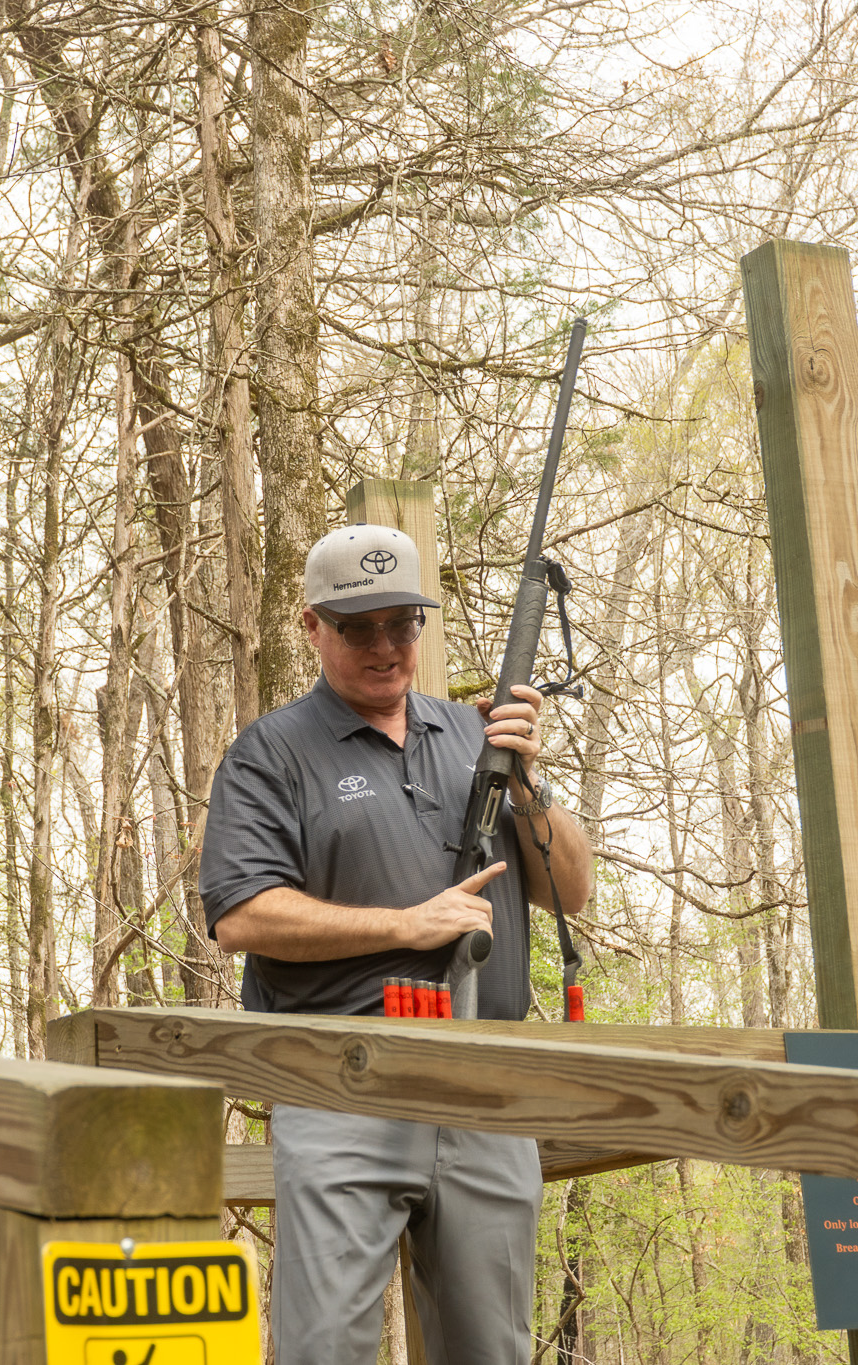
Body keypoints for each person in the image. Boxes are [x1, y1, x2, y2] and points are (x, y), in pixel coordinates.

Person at [201, 524, 595, 1363]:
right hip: (342, 1084)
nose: (385, 646)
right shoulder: (271, 753)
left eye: (402, 623)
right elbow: (242, 914)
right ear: (313, 626)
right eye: (359, 627)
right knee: (324, 1348)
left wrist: (527, 779)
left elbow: (571, 888)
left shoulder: (477, 735)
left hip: (486, 1088)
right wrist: (406, 925)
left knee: (492, 1349)